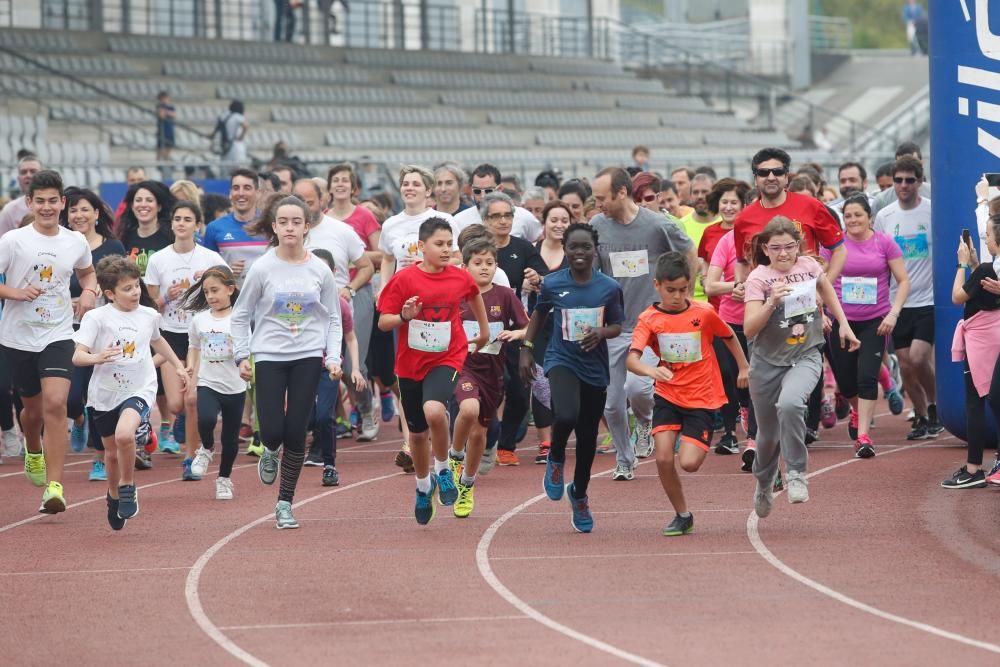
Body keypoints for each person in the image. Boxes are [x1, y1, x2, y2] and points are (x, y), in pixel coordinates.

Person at [232, 195, 343, 530]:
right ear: (275, 227)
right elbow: (240, 315)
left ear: (307, 227)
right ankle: (268, 449)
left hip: (307, 356)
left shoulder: (319, 270)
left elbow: (334, 319)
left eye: (297, 222)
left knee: (297, 431)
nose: (290, 227)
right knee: (273, 430)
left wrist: (333, 357)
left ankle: (284, 504)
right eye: (284, 222)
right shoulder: (263, 268)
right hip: (268, 355)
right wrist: (241, 355)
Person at [743, 218, 860, 518]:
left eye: (790, 247)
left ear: (799, 246)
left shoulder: (808, 266)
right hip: (767, 362)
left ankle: (796, 472)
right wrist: (771, 302)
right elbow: (749, 329)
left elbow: (826, 288)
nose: (784, 254)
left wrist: (844, 325)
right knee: (767, 436)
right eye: (776, 248)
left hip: (805, 354)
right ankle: (764, 481)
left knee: (792, 404)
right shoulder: (758, 278)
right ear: (765, 249)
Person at [627, 252, 749, 536]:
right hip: (668, 394)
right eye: (670, 290)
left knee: (690, 463)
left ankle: (691, 435)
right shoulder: (649, 318)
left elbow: (728, 335)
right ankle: (683, 515)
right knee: (663, 458)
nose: (677, 296)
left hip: (701, 397)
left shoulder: (703, 312)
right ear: (657, 285)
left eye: (683, 289)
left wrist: (744, 367)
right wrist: (651, 371)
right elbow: (631, 360)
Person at [377, 218, 489, 525]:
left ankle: (443, 469)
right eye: (439, 244)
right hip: (410, 364)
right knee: (417, 435)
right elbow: (383, 322)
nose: (445, 249)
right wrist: (404, 315)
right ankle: (423, 487)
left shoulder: (458, 277)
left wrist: (483, 330)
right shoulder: (404, 280)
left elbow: (474, 295)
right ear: (421, 246)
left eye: (449, 244)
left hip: (448, 356)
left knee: (435, 411)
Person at [0, 170, 98, 513]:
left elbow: (87, 271)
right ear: (29, 202)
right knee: (32, 410)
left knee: (56, 403)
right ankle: (33, 448)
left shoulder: (75, 241)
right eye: (39, 201)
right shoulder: (13, 241)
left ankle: (55, 487)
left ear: (62, 202)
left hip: (58, 333)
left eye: (52, 201)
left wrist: (88, 291)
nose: (46, 207)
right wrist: (15, 292)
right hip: (17, 337)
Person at [589, 166, 695, 481]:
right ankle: (625, 459)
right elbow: (593, 270)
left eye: (601, 198)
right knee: (610, 405)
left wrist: (682, 292)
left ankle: (644, 423)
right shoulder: (597, 225)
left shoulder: (657, 225)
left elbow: (689, 251)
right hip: (615, 327)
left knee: (639, 388)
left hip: (651, 325)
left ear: (621, 192)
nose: (598, 205)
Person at [519, 223, 623, 533]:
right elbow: (539, 315)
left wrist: (601, 332)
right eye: (573, 247)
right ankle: (555, 458)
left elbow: (617, 325)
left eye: (585, 247)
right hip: (561, 359)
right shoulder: (551, 284)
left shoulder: (608, 287)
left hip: (594, 366)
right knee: (566, 414)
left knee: (589, 437)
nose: (579, 253)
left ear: (595, 250)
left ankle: (578, 494)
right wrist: (526, 348)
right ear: (565, 249)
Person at [73, 256, 187, 528]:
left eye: (137, 286)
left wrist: (178, 366)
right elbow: (78, 357)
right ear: (110, 293)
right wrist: (98, 357)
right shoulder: (96, 318)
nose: (135, 292)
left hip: (139, 388)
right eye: (127, 288)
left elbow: (158, 341)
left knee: (125, 434)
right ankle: (113, 495)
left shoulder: (148, 315)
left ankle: (127, 486)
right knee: (111, 453)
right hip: (104, 394)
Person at [144, 201, 227, 478]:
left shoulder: (210, 259)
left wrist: (205, 287)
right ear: (172, 224)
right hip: (170, 334)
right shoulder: (159, 260)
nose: (181, 223)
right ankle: (180, 425)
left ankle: (191, 458)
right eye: (177, 218)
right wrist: (168, 296)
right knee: (177, 404)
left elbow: (228, 290)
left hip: (200, 337)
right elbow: (149, 304)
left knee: (191, 398)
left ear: (197, 225)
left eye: (187, 219)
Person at [822, 194, 910, 457]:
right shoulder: (834, 246)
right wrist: (822, 313)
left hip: (875, 321)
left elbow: (903, 281)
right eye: (848, 216)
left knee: (867, 377)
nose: (853, 220)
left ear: (869, 217)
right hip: (841, 321)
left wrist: (893, 314)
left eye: (858, 215)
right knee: (847, 382)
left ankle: (863, 436)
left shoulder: (884, 243)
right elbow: (820, 282)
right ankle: (856, 410)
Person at [449, 237, 528, 517]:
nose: (484, 268)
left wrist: (515, 334)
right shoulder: (455, 294)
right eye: (478, 263)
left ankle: (467, 485)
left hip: (492, 372)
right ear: (465, 265)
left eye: (490, 263)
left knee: (481, 432)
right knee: (468, 409)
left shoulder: (505, 296)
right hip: (461, 366)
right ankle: (455, 456)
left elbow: (527, 327)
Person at [873, 155, 944, 439]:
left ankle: (936, 405)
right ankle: (923, 417)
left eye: (909, 180)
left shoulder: (932, 211)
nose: (904, 185)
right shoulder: (885, 216)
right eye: (898, 180)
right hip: (896, 302)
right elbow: (877, 257)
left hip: (927, 298)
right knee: (904, 364)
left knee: (918, 357)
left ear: (919, 181)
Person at [60, 188, 126, 480]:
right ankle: (77, 418)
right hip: (69, 329)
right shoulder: (61, 246)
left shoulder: (113, 247)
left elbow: (124, 289)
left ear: (97, 213)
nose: (79, 215)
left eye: (85, 209)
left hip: (105, 332)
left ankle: (99, 458)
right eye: (73, 210)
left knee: (102, 394)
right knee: (73, 396)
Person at [479, 191, 548, 467]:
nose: (503, 221)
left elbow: (544, 275)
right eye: (496, 216)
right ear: (485, 220)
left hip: (516, 327)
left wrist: (536, 277)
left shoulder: (523, 247)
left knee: (519, 388)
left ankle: (507, 443)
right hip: (485, 327)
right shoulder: (479, 251)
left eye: (507, 215)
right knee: (491, 387)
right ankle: (486, 437)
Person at [181, 265, 247, 499]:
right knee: (206, 418)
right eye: (207, 292)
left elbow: (249, 348)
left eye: (215, 290)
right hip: (208, 381)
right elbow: (194, 346)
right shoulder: (199, 320)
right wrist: (190, 367)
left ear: (230, 289)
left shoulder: (240, 319)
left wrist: (247, 365)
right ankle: (206, 448)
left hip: (235, 385)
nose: (210, 296)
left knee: (230, 438)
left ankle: (224, 479)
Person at [733, 148, 846, 285]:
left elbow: (840, 251)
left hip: (805, 300)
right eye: (763, 173)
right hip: (763, 301)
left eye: (778, 172)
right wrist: (739, 284)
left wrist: (822, 291)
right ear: (755, 179)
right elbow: (742, 262)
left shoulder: (811, 205)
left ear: (786, 177)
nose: (771, 177)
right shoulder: (743, 218)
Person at [945, 216, 1000, 488]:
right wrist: (977, 265)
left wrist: (962, 264)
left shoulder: (986, 270)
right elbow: (983, 287)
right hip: (994, 334)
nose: (985, 239)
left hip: (979, 340)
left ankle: (973, 468)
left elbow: (957, 296)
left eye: (988, 235)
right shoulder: (991, 269)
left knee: (975, 403)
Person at [700, 178, 753, 456]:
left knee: (753, 377)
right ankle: (730, 434)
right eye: (725, 202)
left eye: (735, 202)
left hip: (759, 319)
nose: (730, 207)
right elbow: (710, 285)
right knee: (728, 375)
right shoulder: (723, 240)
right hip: (727, 319)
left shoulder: (760, 238)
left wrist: (754, 291)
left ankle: (754, 430)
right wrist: (735, 287)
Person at [306, 248, 366, 486]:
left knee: (324, 416)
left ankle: (329, 465)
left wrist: (355, 369)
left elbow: (350, 337)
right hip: (302, 365)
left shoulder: (340, 305)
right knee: (307, 419)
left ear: (332, 273)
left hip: (328, 368)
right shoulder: (299, 301)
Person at [202, 169, 267, 292]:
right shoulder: (214, 228)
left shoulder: (271, 225)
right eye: (236, 188)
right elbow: (207, 273)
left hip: (265, 304)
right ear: (230, 193)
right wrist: (226, 272)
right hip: (231, 304)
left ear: (258, 193)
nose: (241, 193)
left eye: (247, 188)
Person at [453, 163, 542, 243]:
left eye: (488, 191)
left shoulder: (523, 216)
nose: (483, 196)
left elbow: (539, 240)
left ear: (500, 189)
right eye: (477, 191)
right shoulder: (459, 220)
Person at [676, 173, 720, 302]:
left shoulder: (727, 224)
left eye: (705, 192)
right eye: (695, 192)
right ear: (690, 195)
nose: (700, 196)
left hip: (722, 301)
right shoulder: (680, 226)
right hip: (690, 301)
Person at [0, 154, 42, 238]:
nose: (28, 175)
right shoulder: (9, 211)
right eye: (23, 172)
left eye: (33, 171)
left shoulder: (56, 207)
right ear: (18, 179)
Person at [156, 91, 176, 163]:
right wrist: (168, 113)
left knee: (169, 147)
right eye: (163, 99)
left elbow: (174, 115)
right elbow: (162, 116)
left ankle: (166, 162)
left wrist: (166, 112)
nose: (165, 100)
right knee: (160, 149)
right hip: (162, 130)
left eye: (166, 98)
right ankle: (159, 164)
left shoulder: (171, 107)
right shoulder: (159, 107)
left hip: (169, 129)